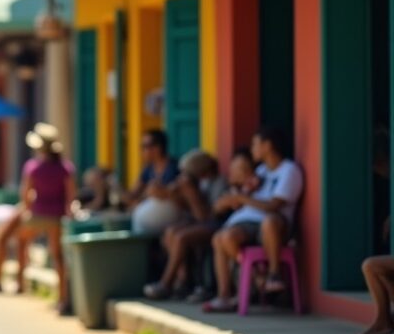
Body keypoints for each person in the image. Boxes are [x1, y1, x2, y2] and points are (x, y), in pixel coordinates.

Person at [204, 127, 304, 312]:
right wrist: (236, 197)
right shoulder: (262, 171)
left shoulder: (289, 170)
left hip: (275, 225)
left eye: (255, 144)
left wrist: (242, 199)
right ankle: (228, 293)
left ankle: (273, 276)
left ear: (267, 146)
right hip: (249, 222)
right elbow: (245, 198)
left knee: (268, 221)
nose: (252, 150)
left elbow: (274, 206)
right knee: (220, 238)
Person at [0, 123, 75, 311]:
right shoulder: (65, 168)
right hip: (56, 217)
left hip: (37, 215)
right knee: (58, 256)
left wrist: (25, 211)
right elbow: (71, 199)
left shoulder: (33, 167)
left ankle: (7, 281)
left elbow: (26, 198)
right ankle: (63, 299)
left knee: (11, 238)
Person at [143, 149, 245, 301]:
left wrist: (191, 193)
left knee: (181, 237)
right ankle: (183, 282)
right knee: (170, 232)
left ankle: (166, 283)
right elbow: (192, 212)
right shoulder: (202, 183)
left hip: (218, 225)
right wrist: (172, 195)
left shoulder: (220, 183)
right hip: (201, 222)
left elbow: (206, 216)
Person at [127, 129, 182, 235]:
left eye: (145, 146)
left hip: (175, 214)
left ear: (157, 148)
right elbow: (133, 194)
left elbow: (177, 195)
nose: (142, 151)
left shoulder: (175, 167)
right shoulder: (148, 169)